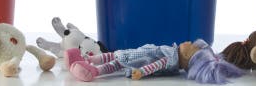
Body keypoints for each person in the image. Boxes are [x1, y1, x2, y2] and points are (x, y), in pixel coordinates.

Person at [64, 39, 244, 83]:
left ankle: (92, 71)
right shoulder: (173, 52)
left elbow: (156, 65)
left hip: (139, 61)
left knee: (116, 62)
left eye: (191, 46)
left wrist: (141, 72)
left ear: (189, 57)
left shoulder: (171, 59)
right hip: (138, 53)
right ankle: (86, 59)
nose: (188, 42)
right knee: (115, 54)